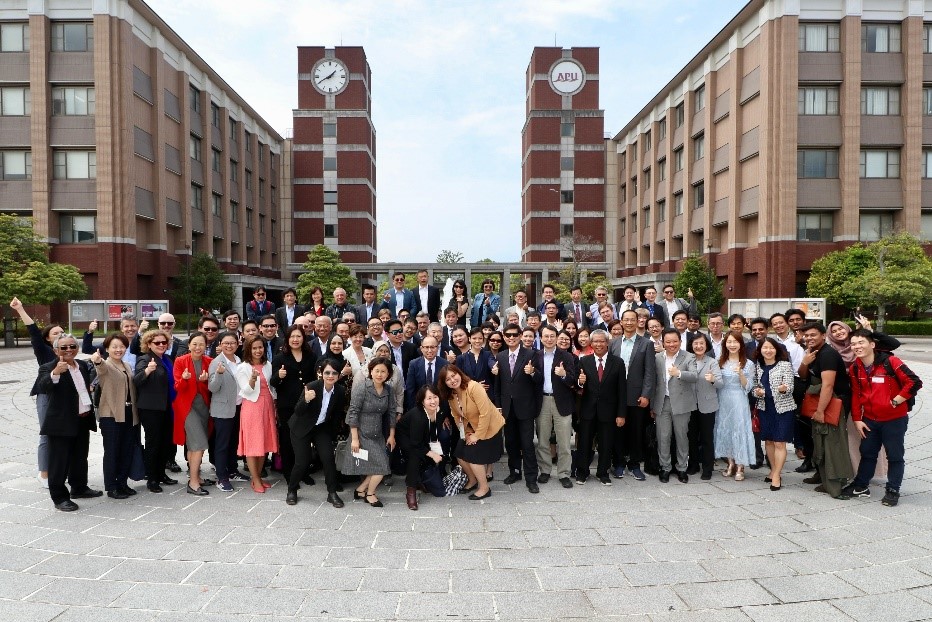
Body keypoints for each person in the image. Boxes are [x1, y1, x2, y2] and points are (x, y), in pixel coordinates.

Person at [843, 329, 922, 507]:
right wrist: (857, 419)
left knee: (894, 456)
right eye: (853, 344)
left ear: (872, 344)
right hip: (870, 419)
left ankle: (893, 489)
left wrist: (896, 401)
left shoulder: (890, 361)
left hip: (894, 420)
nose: (856, 346)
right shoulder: (855, 367)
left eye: (861, 342)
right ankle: (861, 486)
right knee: (867, 453)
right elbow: (856, 394)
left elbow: (914, 381)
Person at [36, 333, 102, 511]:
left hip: (82, 418)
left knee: (80, 457)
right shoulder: (48, 367)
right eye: (63, 347)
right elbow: (43, 386)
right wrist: (56, 373)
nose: (68, 350)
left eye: (72, 346)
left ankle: (79, 487)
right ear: (55, 350)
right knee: (59, 462)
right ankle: (59, 498)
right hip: (61, 423)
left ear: (77, 348)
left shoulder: (81, 365)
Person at [10, 296, 62, 488]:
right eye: (55, 333)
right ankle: (44, 473)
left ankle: (59, 470)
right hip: (46, 394)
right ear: (48, 338)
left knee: (62, 434)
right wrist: (20, 309)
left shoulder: (67, 351)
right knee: (47, 434)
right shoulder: (44, 351)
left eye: (62, 332)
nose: (60, 335)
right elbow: (33, 331)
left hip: (63, 395)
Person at [799, 322, 854, 498]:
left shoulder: (828, 355)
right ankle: (822, 476)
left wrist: (821, 411)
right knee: (820, 441)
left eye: (813, 335)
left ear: (823, 336)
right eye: (806, 335)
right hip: (819, 402)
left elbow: (828, 385)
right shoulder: (812, 352)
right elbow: (803, 376)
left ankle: (834, 484)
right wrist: (805, 362)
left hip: (833, 403)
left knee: (832, 443)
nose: (809, 338)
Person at [438, 364, 506, 500]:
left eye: (453, 375)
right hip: (473, 428)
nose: (452, 380)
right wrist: (466, 433)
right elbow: (457, 416)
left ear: (459, 373)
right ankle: (473, 480)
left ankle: (484, 488)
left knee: (473, 455)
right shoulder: (451, 395)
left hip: (491, 428)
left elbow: (485, 414)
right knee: (459, 452)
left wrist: (477, 436)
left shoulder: (474, 387)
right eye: (448, 379)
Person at [288, 359, 347, 508]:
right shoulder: (312, 387)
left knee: (328, 458)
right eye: (327, 372)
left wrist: (332, 435)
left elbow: (337, 415)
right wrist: (306, 400)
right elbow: (298, 411)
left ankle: (332, 493)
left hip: (321, 428)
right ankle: (292, 490)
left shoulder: (340, 391)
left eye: (334, 373)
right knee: (302, 461)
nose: (330, 376)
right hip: (301, 427)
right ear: (321, 373)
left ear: (338, 375)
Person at [494, 323, 543, 492]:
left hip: (525, 408)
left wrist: (532, 372)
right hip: (507, 408)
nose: (511, 338)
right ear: (504, 336)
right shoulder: (500, 356)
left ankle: (531, 478)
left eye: (515, 335)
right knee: (511, 443)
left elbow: (539, 380)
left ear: (521, 336)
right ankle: (514, 472)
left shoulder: (531, 354)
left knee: (527, 444)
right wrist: (498, 406)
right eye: (508, 335)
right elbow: (498, 385)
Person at [90, 333, 140, 499]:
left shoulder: (127, 365)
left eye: (122, 346)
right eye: (114, 347)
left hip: (129, 412)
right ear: (107, 349)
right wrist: (97, 360)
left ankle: (122, 483)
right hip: (111, 414)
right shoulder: (106, 365)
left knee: (126, 450)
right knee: (112, 451)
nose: (119, 350)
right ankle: (112, 487)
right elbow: (101, 367)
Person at [609, 309, 656, 482]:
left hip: (637, 396)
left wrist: (646, 395)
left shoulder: (646, 344)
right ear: (621, 322)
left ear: (638, 322)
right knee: (618, 431)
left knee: (636, 432)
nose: (629, 323)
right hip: (616, 396)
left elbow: (650, 372)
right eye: (626, 320)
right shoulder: (613, 343)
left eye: (632, 320)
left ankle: (635, 465)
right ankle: (619, 463)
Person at [576, 330, 627, 485]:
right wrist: (580, 382)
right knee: (584, 443)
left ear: (607, 343)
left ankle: (603, 473)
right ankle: (582, 472)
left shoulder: (617, 362)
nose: (598, 344)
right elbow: (578, 388)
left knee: (606, 444)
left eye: (602, 341)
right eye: (595, 341)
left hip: (609, 411)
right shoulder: (584, 361)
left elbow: (622, 390)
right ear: (591, 343)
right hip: (588, 410)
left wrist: (621, 414)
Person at [271, 325, 319, 489]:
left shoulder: (311, 356)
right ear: (287, 339)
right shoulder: (280, 358)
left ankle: (303, 472)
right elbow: (273, 382)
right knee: (287, 440)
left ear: (303, 338)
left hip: (306, 404)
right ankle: (289, 473)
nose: (295, 339)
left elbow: (315, 379)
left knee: (305, 439)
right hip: (287, 406)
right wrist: (279, 376)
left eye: (298, 336)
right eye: (292, 336)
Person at [346, 357, 397, 507]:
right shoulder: (362, 387)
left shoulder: (389, 390)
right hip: (362, 433)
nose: (379, 374)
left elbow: (392, 413)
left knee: (377, 465)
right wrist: (355, 439)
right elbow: (353, 412)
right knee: (382, 467)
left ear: (388, 374)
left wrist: (392, 435)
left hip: (378, 433)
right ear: (371, 371)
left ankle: (360, 490)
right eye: (377, 371)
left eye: (383, 371)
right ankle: (370, 494)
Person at [133, 330, 178, 493]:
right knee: (154, 443)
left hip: (167, 407)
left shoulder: (167, 359)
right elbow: (136, 380)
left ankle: (161, 474)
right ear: (149, 344)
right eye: (157, 343)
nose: (161, 345)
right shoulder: (145, 359)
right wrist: (147, 371)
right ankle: (152, 478)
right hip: (151, 408)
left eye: (164, 342)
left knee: (165, 442)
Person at [651, 329, 697, 483]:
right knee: (663, 436)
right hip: (662, 402)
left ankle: (682, 468)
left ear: (680, 341)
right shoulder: (657, 357)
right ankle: (665, 467)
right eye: (668, 342)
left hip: (682, 403)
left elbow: (695, 376)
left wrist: (679, 373)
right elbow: (653, 382)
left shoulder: (689, 357)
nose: (672, 344)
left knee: (681, 436)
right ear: (663, 343)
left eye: (675, 341)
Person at [534, 325, 578, 488]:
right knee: (543, 440)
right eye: (546, 336)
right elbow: (534, 379)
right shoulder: (536, 355)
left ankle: (564, 473)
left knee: (564, 441)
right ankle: (545, 470)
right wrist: (532, 373)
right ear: (541, 338)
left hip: (562, 402)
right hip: (542, 401)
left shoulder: (566, 356)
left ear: (556, 337)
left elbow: (573, 381)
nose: (549, 339)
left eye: (552, 336)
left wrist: (564, 375)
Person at [236, 335, 279, 493]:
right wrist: (253, 379)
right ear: (248, 349)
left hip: (267, 405)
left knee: (264, 442)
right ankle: (254, 479)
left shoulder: (268, 364)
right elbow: (246, 391)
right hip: (252, 406)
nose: (258, 350)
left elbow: (271, 387)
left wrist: (275, 403)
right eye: (254, 348)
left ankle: (259, 477)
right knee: (253, 443)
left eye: (260, 347)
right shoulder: (243, 367)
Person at [753, 337, 796, 491]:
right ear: (760, 350)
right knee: (769, 442)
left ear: (776, 350)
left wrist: (784, 389)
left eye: (771, 347)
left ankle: (777, 475)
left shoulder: (785, 365)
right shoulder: (757, 367)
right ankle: (772, 470)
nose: (768, 350)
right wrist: (757, 392)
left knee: (779, 442)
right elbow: (754, 388)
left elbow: (790, 387)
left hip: (783, 409)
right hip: (765, 408)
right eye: (765, 348)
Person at [173, 333, 212, 495]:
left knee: (193, 444)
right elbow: (177, 387)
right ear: (189, 345)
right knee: (199, 443)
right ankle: (193, 482)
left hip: (203, 407)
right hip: (187, 408)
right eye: (194, 344)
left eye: (201, 344)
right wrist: (184, 379)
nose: (198, 347)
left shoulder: (209, 361)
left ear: (206, 346)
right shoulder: (180, 361)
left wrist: (205, 381)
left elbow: (212, 387)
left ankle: (196, 476)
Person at [714, 331, 757, 482]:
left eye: (735, 342)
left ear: (741, 344)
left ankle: (740, 466)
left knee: (739, 430)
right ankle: (730, 463)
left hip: (739, 399)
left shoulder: (748, 363)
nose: (732, 345)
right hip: (723, 399)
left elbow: (748, 386)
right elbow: (717, 382)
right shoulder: (719, 361)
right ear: (725, 344)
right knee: (726, 429)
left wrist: (740, 373)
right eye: (729, 342)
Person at [396, 385, 448, 509]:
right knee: (415, 456)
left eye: (435, 397)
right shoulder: (418, 416)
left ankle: (420, 480)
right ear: (422, 401)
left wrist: (434, 449)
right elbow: (416, 443)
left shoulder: (441, 410)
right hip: (405, 436)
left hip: (421, 436)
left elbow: (434, 429)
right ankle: (411, 491)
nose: (433, 401)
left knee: (427, 453)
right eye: (429, 398)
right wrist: (432, 454)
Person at [207, 331, 243, 492]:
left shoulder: (239, 360)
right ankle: (222, 477)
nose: (229, 346)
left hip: (238, 406)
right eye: (226, 343)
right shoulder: (216, 363)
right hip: (222, 409)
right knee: (222, 444)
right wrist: (219, 374)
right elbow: (212, 388)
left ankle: (233, 470)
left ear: (238, 344)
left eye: (232, 343)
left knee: (233, 441)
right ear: (220, 345)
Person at [687, 333, 722, 480]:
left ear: (706, 345)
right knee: (691, 437)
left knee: (707, 438)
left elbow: (720, 384)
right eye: (695, 343)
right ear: (691, 345)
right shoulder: (687, 360)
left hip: (707, 404)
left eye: (701, 343)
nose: (698, 346)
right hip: (690, 404)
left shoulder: (712, 362)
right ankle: (693, 464)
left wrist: (713, 379)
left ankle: (708, 468)